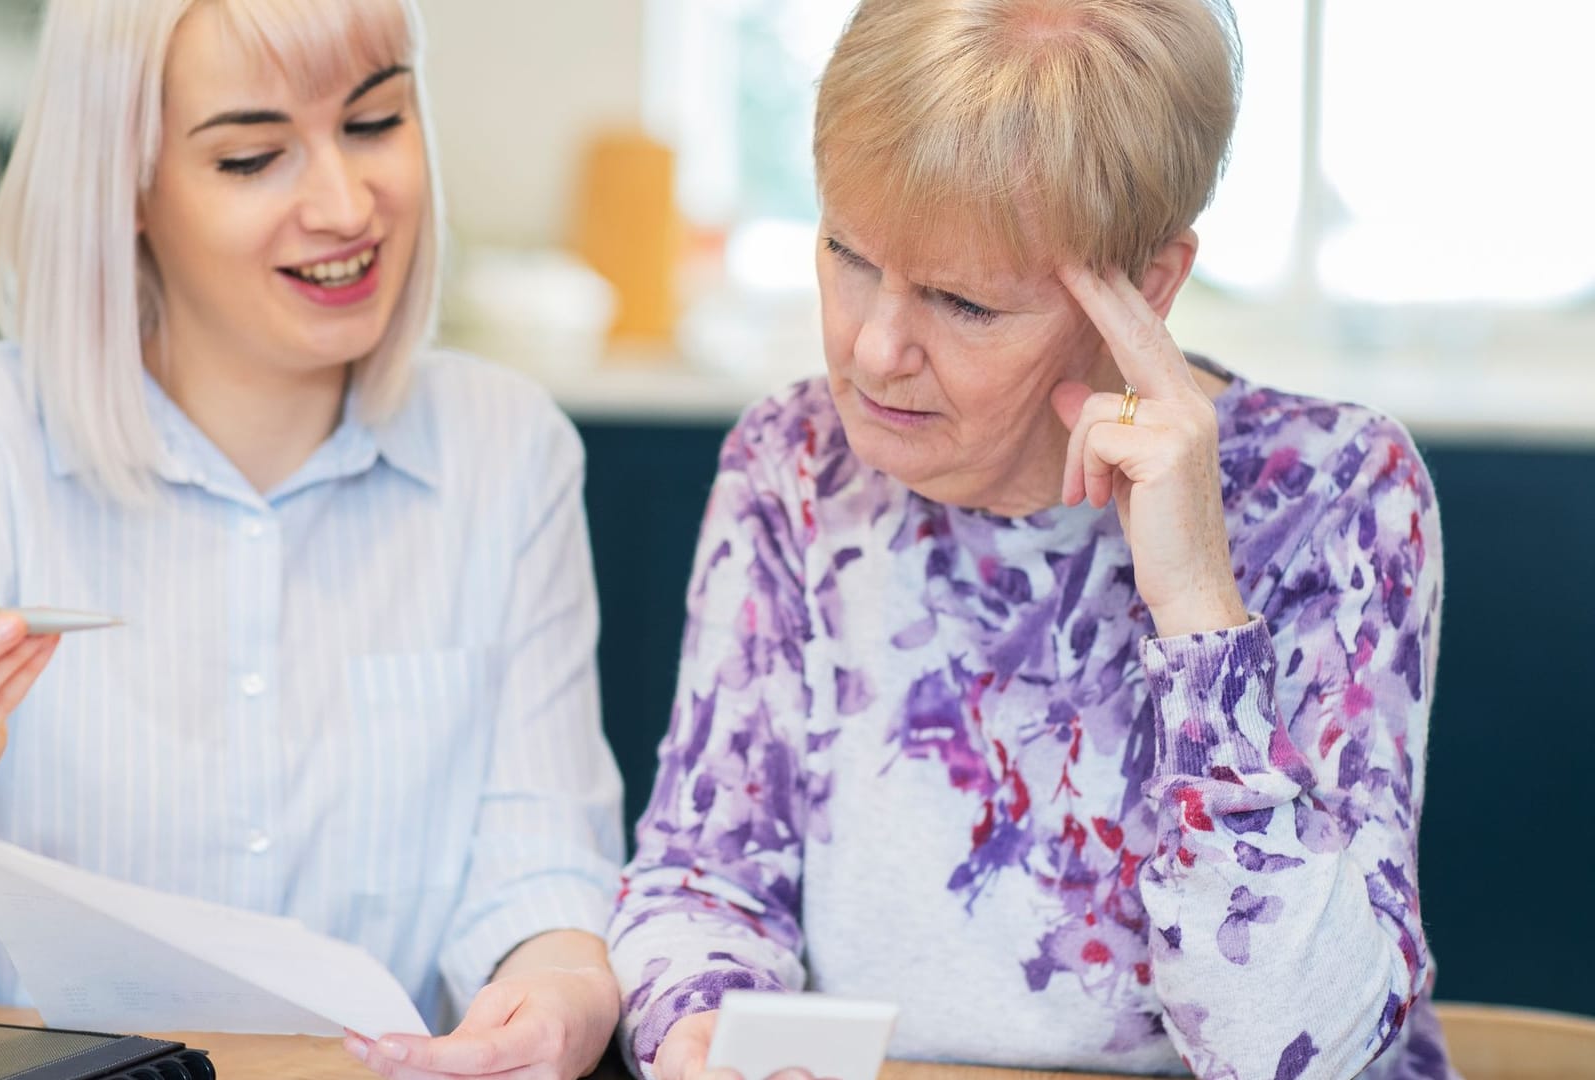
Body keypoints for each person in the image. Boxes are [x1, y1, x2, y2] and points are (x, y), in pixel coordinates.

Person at [0, 3, 624, 1077]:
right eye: (251, 157)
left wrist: (562, 996)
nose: (344, 204)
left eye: (375, 122)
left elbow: (541, 881)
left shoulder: (511, 456)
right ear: (126, 185)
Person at [608, 2, 1452, 1079]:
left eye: (962, 302)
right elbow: (704, 880)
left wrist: (1197, 605)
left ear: (1144, 289)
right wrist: (702, 1029)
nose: (874, 348)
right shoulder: (794, 463)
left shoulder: (1340, 492)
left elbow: (1293, 1054)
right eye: (846, 253)